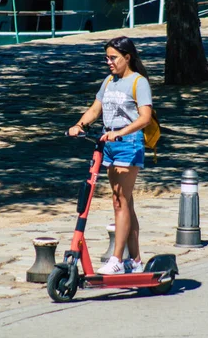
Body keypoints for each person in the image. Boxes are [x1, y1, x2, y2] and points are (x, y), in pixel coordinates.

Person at [68, 36, 153, 274]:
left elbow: (145, 117)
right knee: (125, 202)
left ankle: (117, 259)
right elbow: (96, 109)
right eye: (107, 58)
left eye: (113, 57)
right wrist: (79, 125)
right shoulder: (108, 82)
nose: (109, 62)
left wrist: (120, 132)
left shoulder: (139, 82)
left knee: (119, 201)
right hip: (108, 145)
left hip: (129, 144)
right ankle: (135, 261)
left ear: (127, 57)